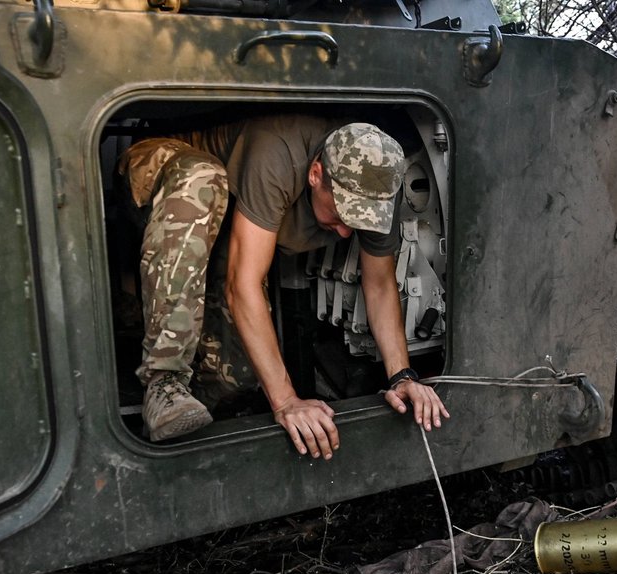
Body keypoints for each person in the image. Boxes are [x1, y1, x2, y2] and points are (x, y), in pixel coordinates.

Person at [120, 114, 449, 458]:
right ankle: (164, 383)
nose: (345, 233)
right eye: (341, 215)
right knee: (202, 178)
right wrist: (287, 401)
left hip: (227, 220)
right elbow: (242, 284)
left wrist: (403, 377)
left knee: (241, 374)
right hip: (163, 172)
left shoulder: (376, 184)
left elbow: (380, 283)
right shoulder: (278, 154)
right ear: (315, 174)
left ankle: (191, 415)